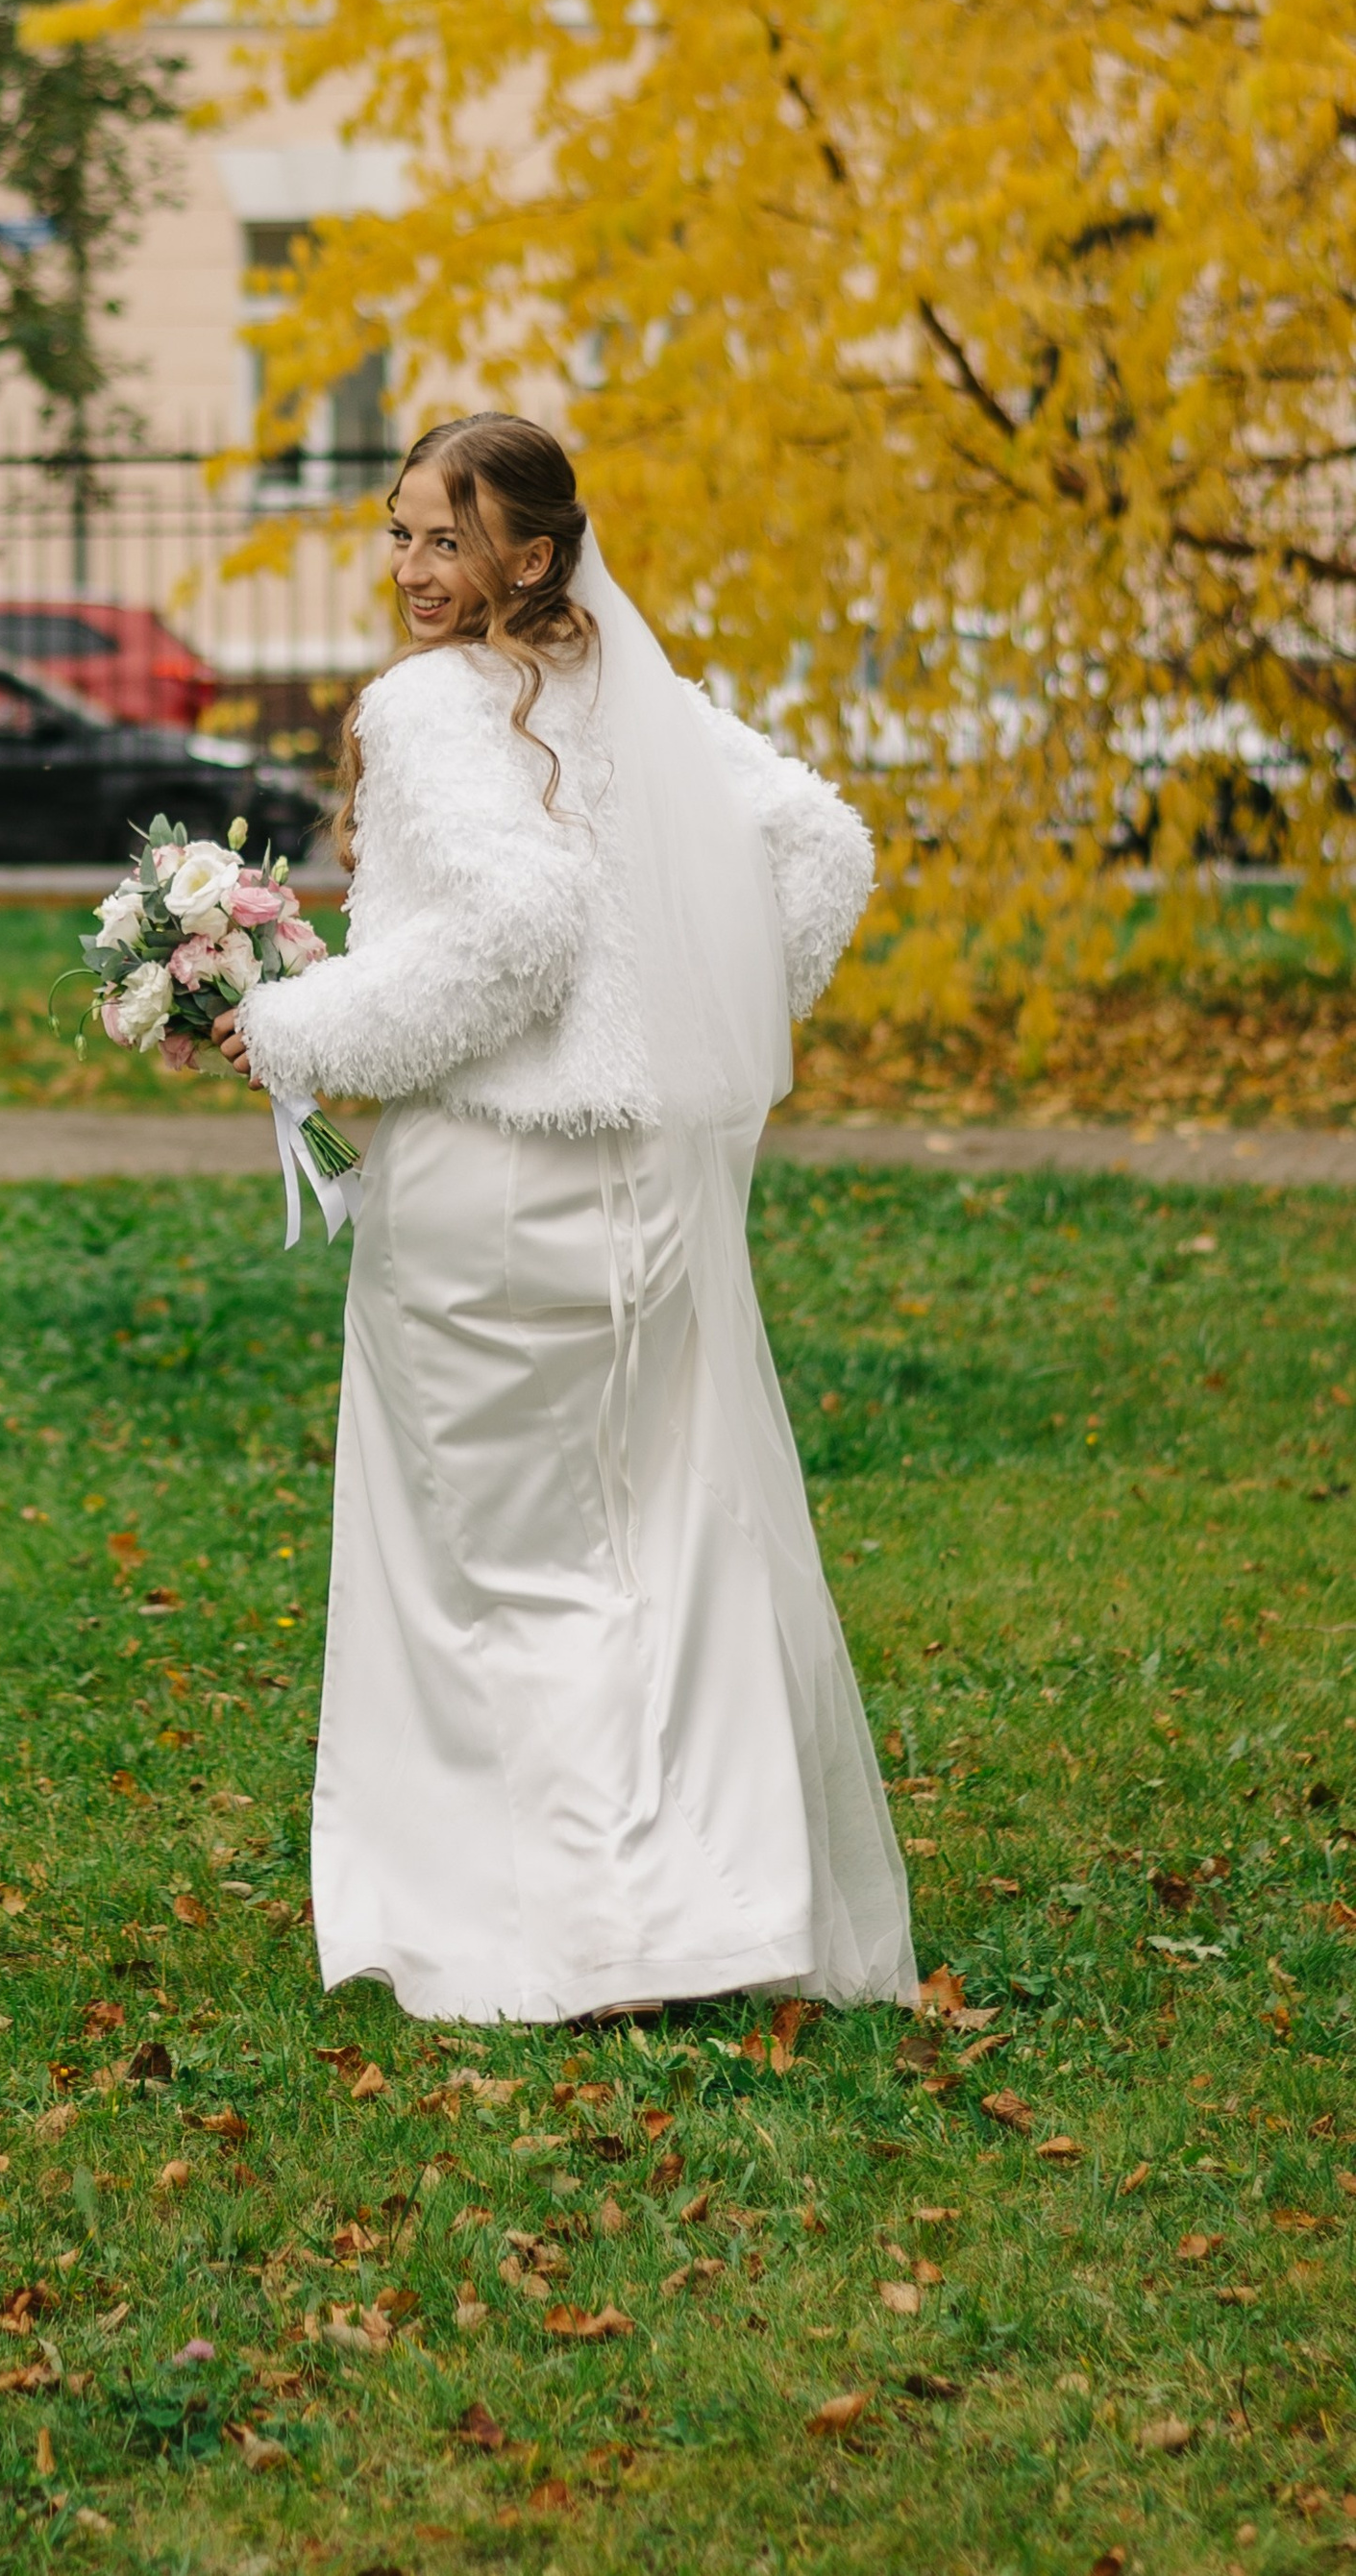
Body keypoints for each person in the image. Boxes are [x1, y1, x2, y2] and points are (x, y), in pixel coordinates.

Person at [217, 413, 915, 2026]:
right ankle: (707, 1907)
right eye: (400, 534)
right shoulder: (639, 697)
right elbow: (820, 848)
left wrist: (302, 1030)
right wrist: (690, 1037)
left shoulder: (427, 706)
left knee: (494, 1567)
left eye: (447, 539)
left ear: (531, 554)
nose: (414, 570)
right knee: (646, 1551)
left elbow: (517, 932)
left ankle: (578, 1936)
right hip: (643, 1196)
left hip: (488, 1189)